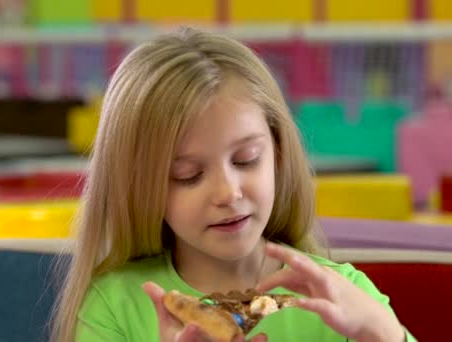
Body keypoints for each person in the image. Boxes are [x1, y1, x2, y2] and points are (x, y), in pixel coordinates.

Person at [51, 28, 416, 342]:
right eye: (188, 175)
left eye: (247, 160)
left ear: (278, 153)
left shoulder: (341, 294)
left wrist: (381, 332)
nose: (229, 193)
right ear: (140, 187)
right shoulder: (114, 305)